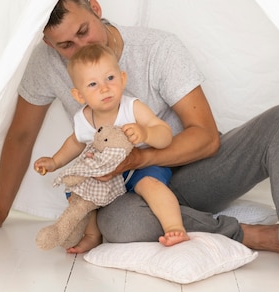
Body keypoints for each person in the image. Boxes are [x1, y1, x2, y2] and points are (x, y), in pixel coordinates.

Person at [0, 0, 279, 292]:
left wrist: (139, 157)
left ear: (94, 7)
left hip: (194, 170)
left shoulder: (157, 48)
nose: (76, 46)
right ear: (48, 44)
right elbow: (22, 134)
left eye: (82, 31)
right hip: (129, 195)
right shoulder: (46, 64)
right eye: (64, 45)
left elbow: (206, 138)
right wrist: (0, 209)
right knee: (117, 223)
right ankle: (253, 235)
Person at [33, 43, 189, 250]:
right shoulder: (83, 118)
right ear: (79, 96)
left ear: (122, 78)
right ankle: (91, 235)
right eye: (92, 85)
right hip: (104, 176)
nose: (104, 88)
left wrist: (146, 133)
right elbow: (75, 142)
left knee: (151, 186)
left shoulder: (131, 107)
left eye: (110, 78)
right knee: (80, 195)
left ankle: (174, 227)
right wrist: (54, 161)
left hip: (138, 167)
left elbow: (165, 134)